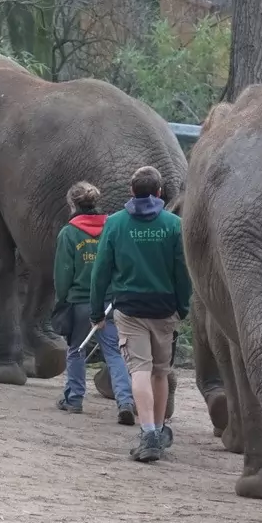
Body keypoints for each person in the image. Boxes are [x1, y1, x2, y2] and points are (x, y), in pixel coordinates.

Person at [89, 165, 192, 463]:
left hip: (130, 308)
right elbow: (183, 273)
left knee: (140, 370)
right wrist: (183, 306)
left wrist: (97, 310)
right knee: (161, 371)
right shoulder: (173, 225)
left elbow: (100, 272)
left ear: (131, 191)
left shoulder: (116, 223)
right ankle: (158, 431)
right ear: (159, 192)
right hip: (164, 308)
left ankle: (147, 432)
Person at [52, 181, 136, 425]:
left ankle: (74, 398)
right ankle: (125, 401)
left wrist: (62, 300)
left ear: (71, 204)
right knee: (114, 353)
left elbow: (63, 273)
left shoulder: (68, 233)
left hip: (79, 302)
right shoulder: (112, 228)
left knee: (76, 350)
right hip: (110, 302)